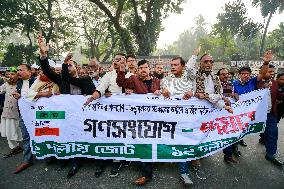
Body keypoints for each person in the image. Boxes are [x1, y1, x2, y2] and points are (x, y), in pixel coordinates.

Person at [116, 59, 160, 186]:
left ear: (149, 69)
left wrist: (160, 92)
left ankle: (152, 164)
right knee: (142, 144)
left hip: (155, 118)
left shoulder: (157, 81)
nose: (143, 70)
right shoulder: (133, 80)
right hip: (139, 119)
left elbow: (166, 94)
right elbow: (121, 82)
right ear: (137, 69)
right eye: (141, 68)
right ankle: (146, 174)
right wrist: (122, 70)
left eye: (146, 67)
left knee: (152, 142)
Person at [85, 52, 126, 178]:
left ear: (124, 61)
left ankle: (117, 162)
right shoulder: (108, 75)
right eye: (115, 59)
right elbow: (101, 88)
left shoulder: (130, 75)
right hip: (108, 112)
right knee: (104, 134)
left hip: (125, 113)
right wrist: (93, 97)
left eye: (119, 59)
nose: (116, 61)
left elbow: (129, 88)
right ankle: (101, 161)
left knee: (119, 135)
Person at [160, 56, 195, 186]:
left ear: (183, 66)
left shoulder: (190, 80)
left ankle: (183, 171)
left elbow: (195, 91)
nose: (173, 67)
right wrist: (163, 91)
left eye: (176, 65)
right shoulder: (166, 80)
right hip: (168, 119)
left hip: (185, 119)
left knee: (183, 143)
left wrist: (191, 92)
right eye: (172, 65)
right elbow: (163, 91)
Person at [233, 51, 271, 148]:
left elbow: (262, 74)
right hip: (237, 111)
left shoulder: (252, 81)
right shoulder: (233, 83)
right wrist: (234, 94)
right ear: (239, 75)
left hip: (249, 111)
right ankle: (234, 147)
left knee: (244, 127)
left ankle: (241, 140)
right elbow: (228, 93)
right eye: (243, 73)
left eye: (247, 73)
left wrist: (266, 63)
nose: (246, 75)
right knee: (235, 129)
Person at [257, 62, 284, 166]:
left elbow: (279, 96)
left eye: (273, 72)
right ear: (263, 71)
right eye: (269, 71)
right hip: (256, 114)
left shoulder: (275, 83)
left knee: (273, 132)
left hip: (270, 113)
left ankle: (270, 154)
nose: (272, 73)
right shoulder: (256, 82)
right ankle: (233, 149)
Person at [13, 64, 36, 174]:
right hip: (24, 115)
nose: (19, 72)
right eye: (18, 70)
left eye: (21, 70)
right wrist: (17, 95)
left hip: (38, 116)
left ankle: (48, 156)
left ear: (29, 72)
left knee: (43, 134)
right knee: (26, 137)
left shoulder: (37, 82)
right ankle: (27, 160)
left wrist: (21, 97)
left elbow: (38, 96)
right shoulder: (19, 83)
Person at [217, 68, 240, 164]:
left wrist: (235, 94)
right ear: (218, 76)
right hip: (215, 113)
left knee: (229, 133)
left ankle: (228, 155)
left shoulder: (231, 84)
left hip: (227, 113)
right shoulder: (215, 85)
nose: (226, 76)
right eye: (223, 74)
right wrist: (223, 98)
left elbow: (233, 95)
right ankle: (203, 155)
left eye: (227, 74)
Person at [0, 67, 23, 158]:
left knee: (17, 131)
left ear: (17, 75)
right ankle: (15, 147)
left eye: (12, 74)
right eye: (9, 74)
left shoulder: (21, 84)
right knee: (8, 131)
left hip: (16, 113)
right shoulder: (6, 84)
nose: (10, 76)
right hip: (6, 112)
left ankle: (24, 146)